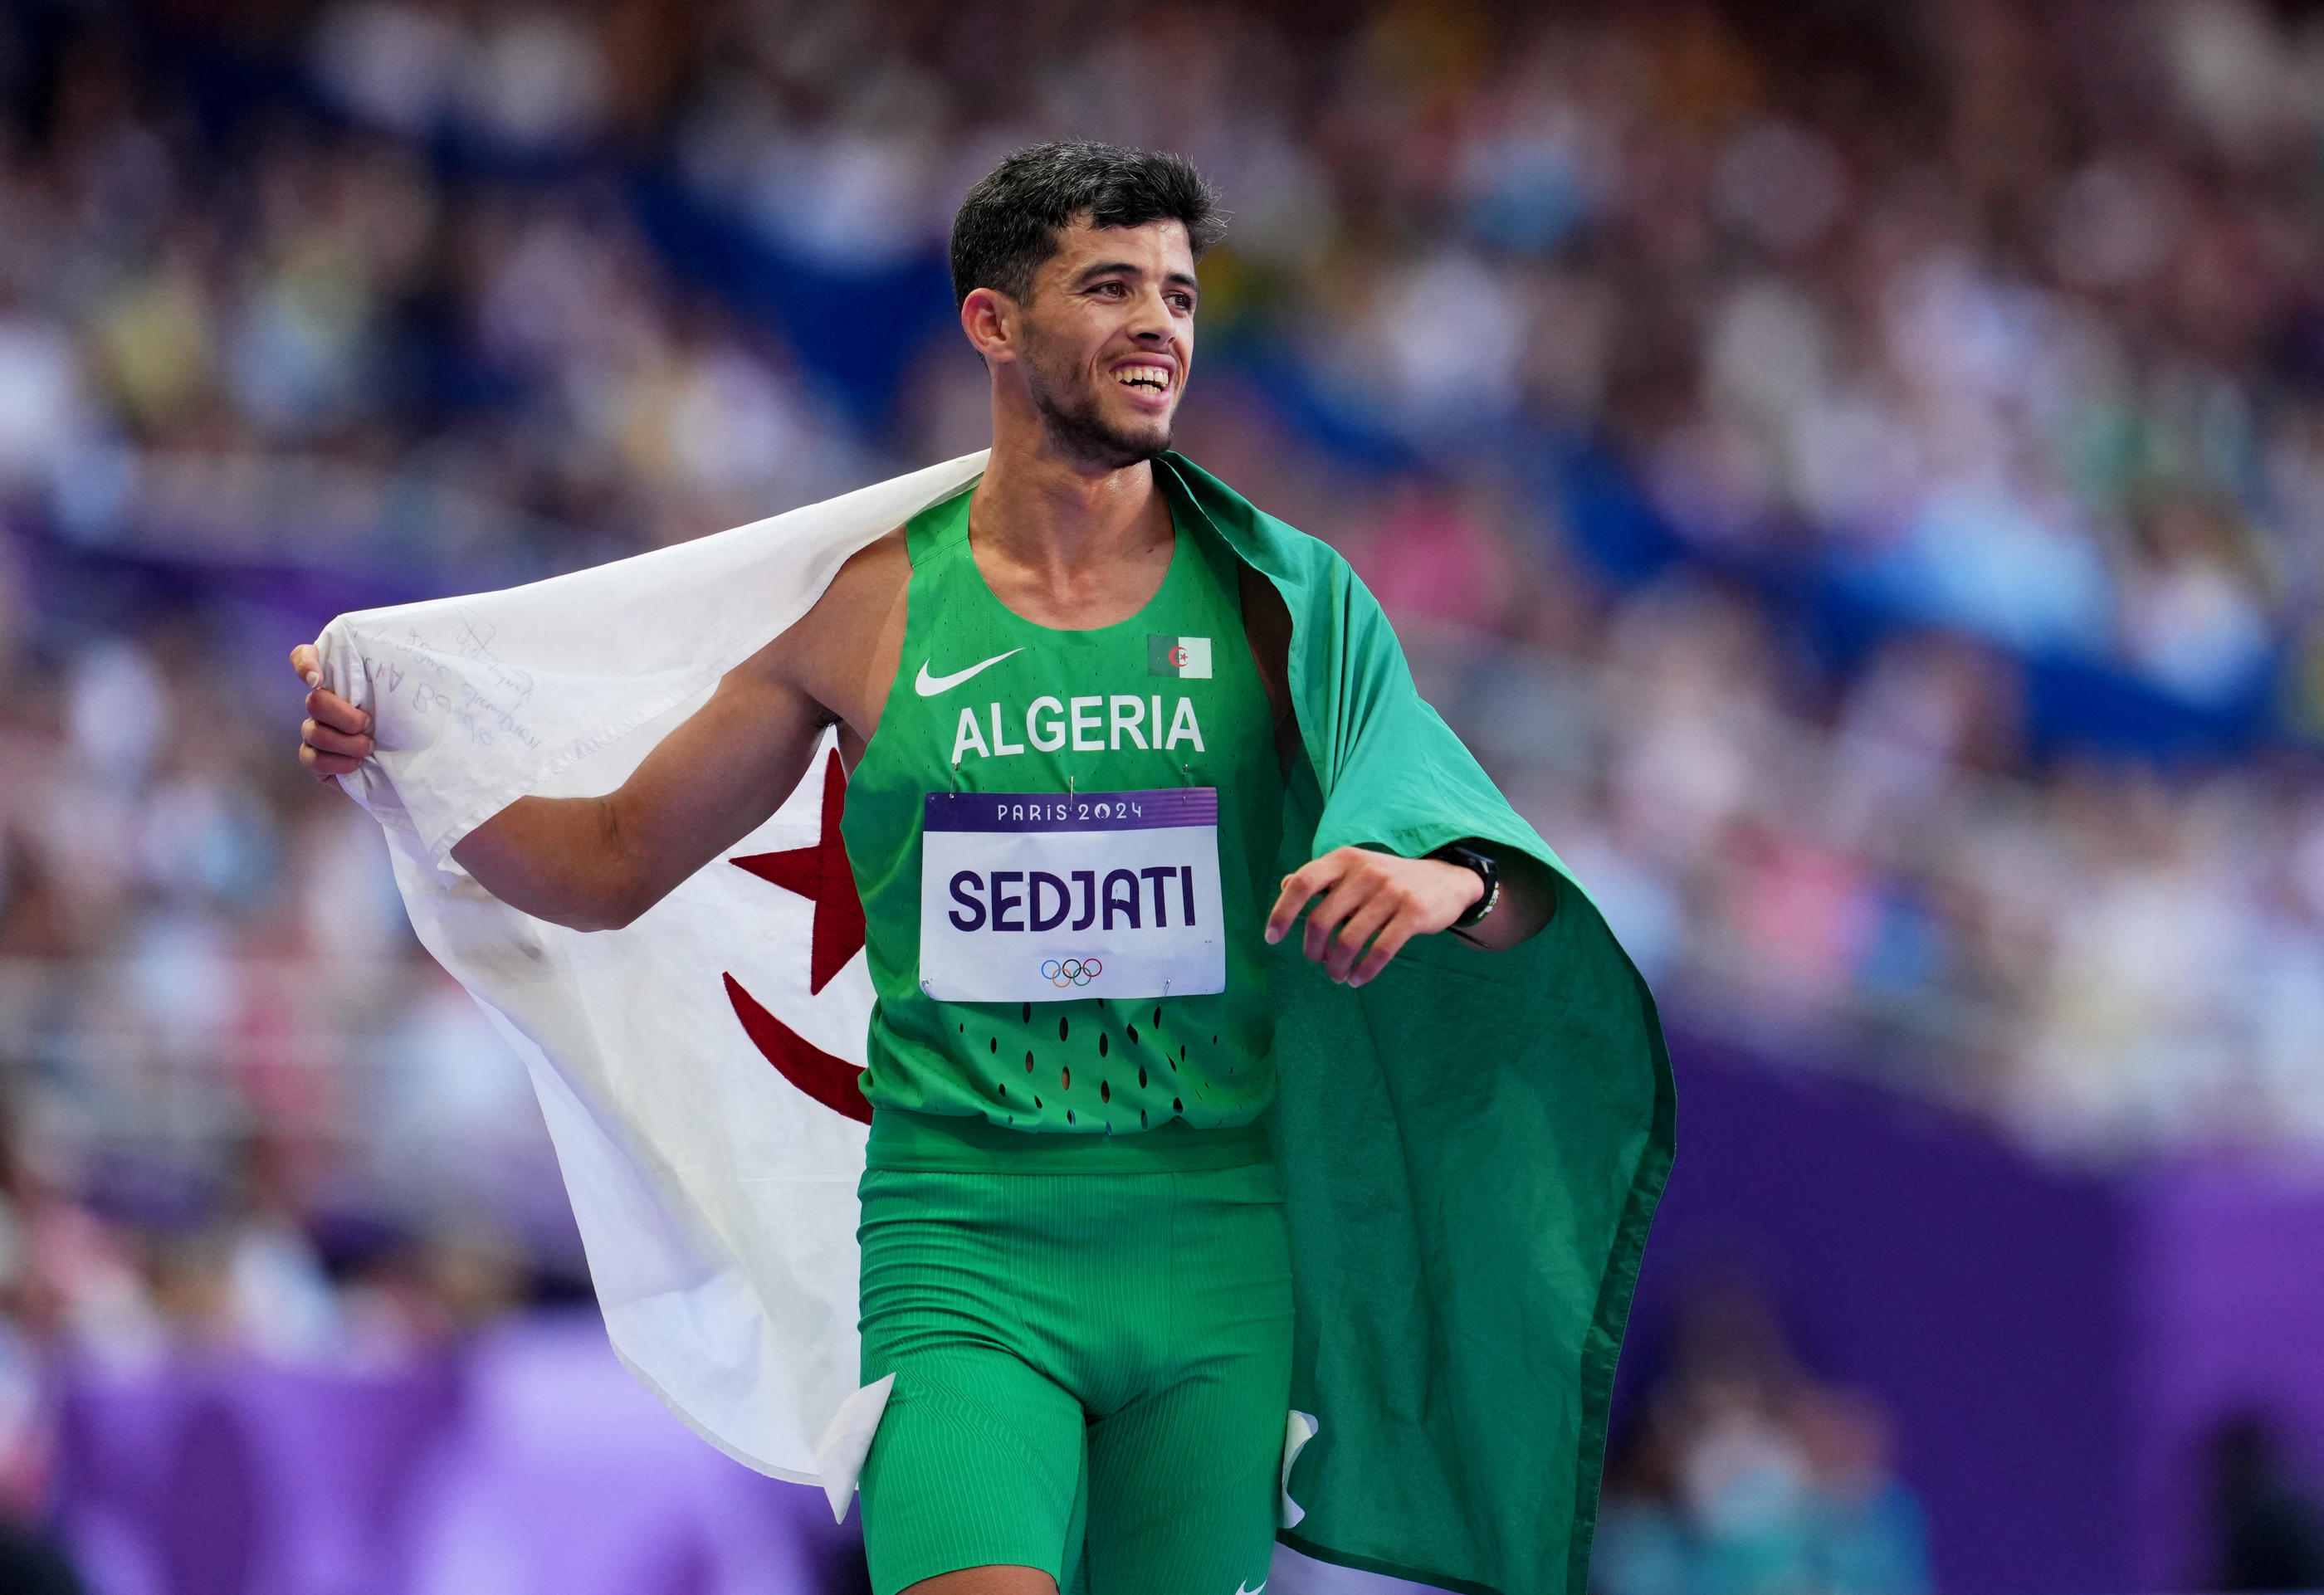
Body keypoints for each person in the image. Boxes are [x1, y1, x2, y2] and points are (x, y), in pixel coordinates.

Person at [294, 143, 1613, 1595]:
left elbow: (1520, 889)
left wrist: (1454, 886)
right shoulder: (872, 609)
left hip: (1218, 1255)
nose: (1160, 324)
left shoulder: (1278, 598)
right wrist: (406, 755)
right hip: (964, 1243)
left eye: (1178, 293)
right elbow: (609, 862)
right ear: (993, 322)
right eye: (1110, 287)